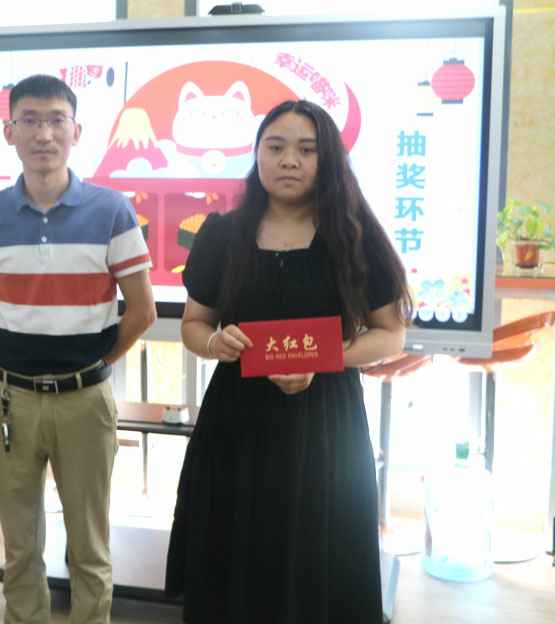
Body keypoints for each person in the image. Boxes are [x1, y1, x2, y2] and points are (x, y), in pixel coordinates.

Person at [164, 99, 412, 623]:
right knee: (235, 557)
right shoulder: (222, 234)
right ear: (257, 155)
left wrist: (326, 360)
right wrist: (215, 344)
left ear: (328, 160)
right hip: (236, 422)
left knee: (317, 563)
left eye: (306, 150)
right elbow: (193, 325)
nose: (289, 161)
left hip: (325, 425)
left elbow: (391, 335)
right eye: (275, 147)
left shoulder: (353, 236)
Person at [0, 74, 156, 624]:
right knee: (19, 544)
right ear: (10, 132)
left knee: (89, 545)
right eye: (30, 120)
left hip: (84, 401)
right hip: (8, 399)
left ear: (76, 131)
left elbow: (142, 311)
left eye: (55, 121)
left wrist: (90, 365)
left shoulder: (112, 210)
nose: (43, 134)